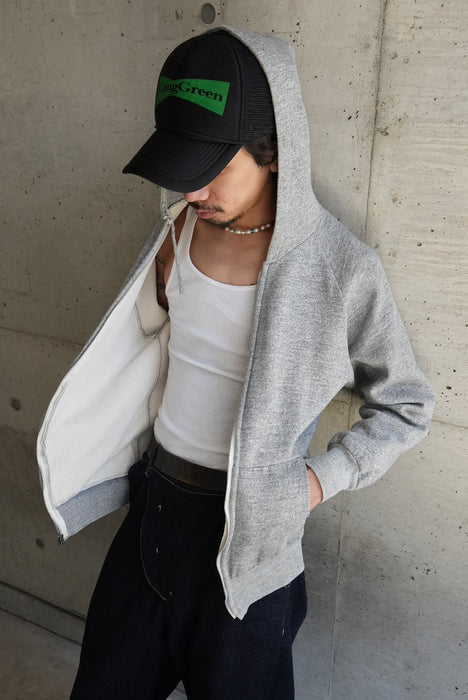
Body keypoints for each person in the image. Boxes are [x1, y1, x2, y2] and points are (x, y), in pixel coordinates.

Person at [37, 27, 434, 699]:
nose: (193, 190)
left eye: (211, 168)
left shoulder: (339, 270)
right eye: (181, 167)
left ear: (275, 151)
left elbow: (408, 404)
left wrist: (315, 484)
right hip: (152, 510)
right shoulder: (176, 232)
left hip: (251, 544)